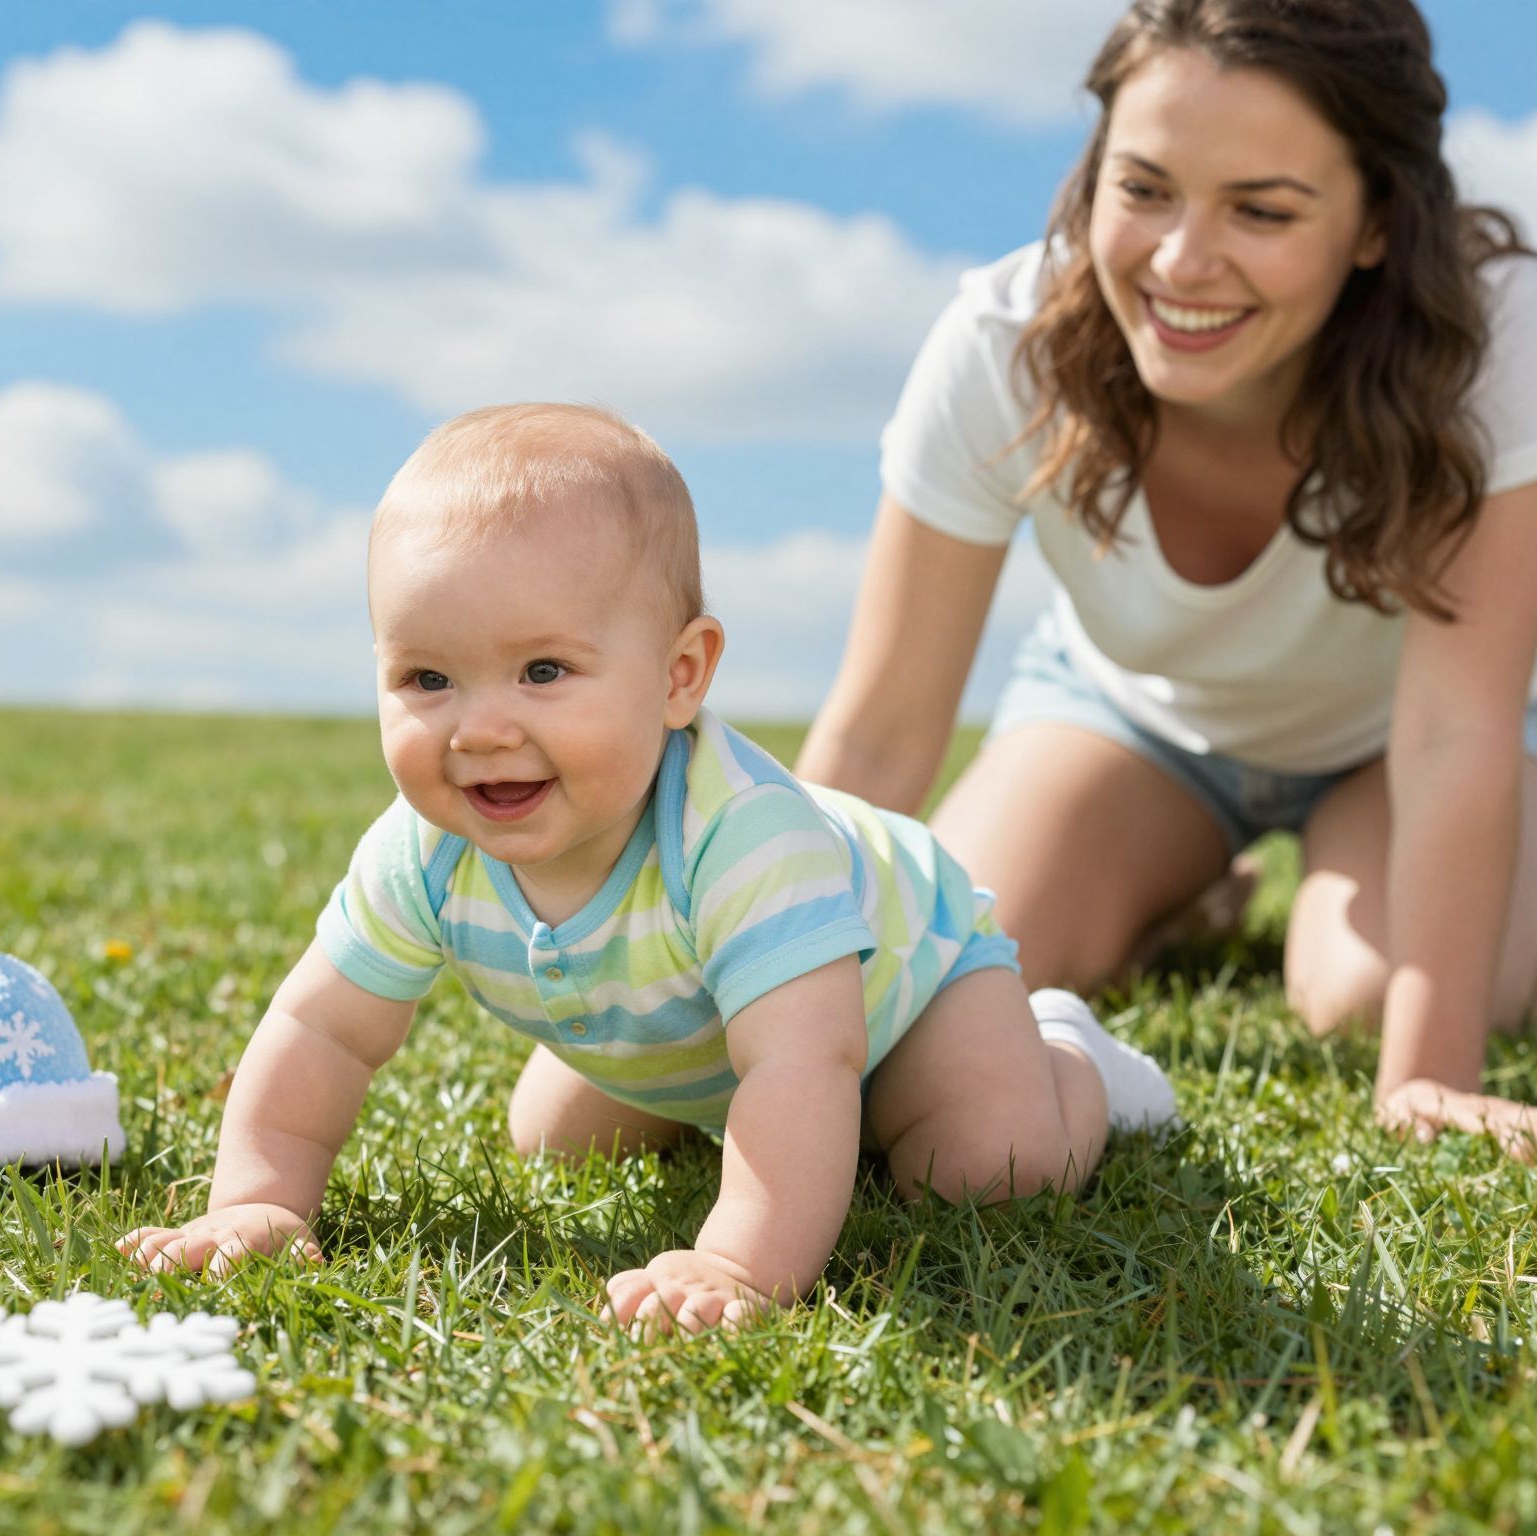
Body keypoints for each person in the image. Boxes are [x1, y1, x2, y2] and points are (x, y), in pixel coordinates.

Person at [118, 404, 1178, 1332]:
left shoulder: (744, 842)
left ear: (679, 677)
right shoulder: (424, 845)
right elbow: (321, 1027)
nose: (480, 728)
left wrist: (735, 1264)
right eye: (427, 677)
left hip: (907, 985)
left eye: (542, 671)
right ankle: (752, 1115)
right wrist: (255, 1196)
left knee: (983, 1171)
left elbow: (798, 1062)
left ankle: (1065, 1054)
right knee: (551, 1143)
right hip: (700, 1029)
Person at [794, 0, 1537, 1164]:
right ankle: (1178, 888)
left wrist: (1429, 1081)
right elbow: (877, 736)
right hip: (1133, 716)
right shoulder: (1000, 342)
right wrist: (738, 979)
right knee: (960, 979)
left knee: (1363, 997)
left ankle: (1528, 937)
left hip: (1417, 736)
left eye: (1262, 210)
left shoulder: (1489, 331)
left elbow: (1449, 732)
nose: (1180, 262)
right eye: (1142, 190)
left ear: (1376, 221)